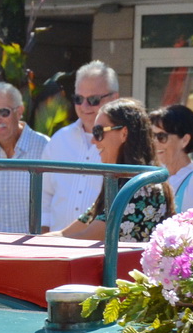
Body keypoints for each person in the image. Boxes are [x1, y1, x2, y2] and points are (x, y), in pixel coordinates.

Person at [62, 98, 171, 242]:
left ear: (124, 133)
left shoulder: (141, 188)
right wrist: (29, 241)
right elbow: (67, 234)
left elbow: (85, 239)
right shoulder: (120, 182)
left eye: (98, 132)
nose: (93, 141)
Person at [41, 61, 118, 231]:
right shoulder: (59, 140)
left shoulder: (124, 143)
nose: (84, 106)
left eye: (93, 100)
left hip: (103, 251)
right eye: (78, 99)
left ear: (114, 98)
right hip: (57, 248)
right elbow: (44, 195)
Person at [0, 82, 50, 233]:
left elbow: (55, 205)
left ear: (19, 111)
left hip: (35, 249)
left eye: (4, 112)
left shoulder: (46, 148)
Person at [149, 104, 193, 213]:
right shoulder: (156, 175)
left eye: (161, 136)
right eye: (151, 136)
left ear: (185, 140)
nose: (154, 142)